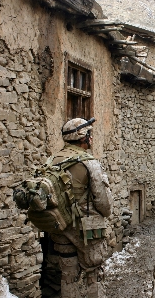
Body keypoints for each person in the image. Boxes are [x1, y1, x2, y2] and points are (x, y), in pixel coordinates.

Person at [48, 118, 113, 298]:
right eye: (90, 134)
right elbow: (103, 203)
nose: (92, 138)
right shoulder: (89, 163)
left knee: (68, 275)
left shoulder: (52, 160)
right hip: (87, 230)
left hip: (60, 226)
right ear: (83, 137)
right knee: (94, 274)